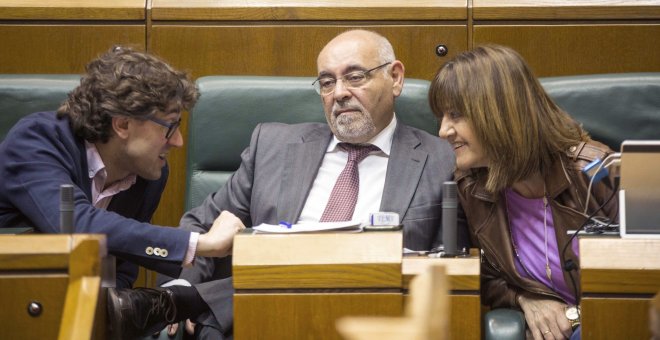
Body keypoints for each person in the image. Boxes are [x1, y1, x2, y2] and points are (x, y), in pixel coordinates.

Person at [111, 29, 464, 339]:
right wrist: (185, 283)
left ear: (396, 78)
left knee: (220, 311)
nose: (339, 93)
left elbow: (456, 269)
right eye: (326, 82)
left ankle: (185, 304)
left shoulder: (443, 159)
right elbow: (202, 226)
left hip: (375, 314)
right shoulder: (273, 147)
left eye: (355, 78)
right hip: (262, 320)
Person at [0, 46, 245, 338]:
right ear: (123, 124)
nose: (178, 141)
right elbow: (75, 226)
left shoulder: (148, 173)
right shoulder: (38, 141)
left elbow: (120, 269)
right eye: (169, 126)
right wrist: (200, 243)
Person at [429, 44, 619, 340]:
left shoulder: (597, 170)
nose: (443, 130)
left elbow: (644, 272)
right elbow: (481, 275)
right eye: (441, 116)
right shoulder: (469, 187)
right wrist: (525, 299)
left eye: (455, 115)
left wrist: (576, 316)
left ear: (500, 113)